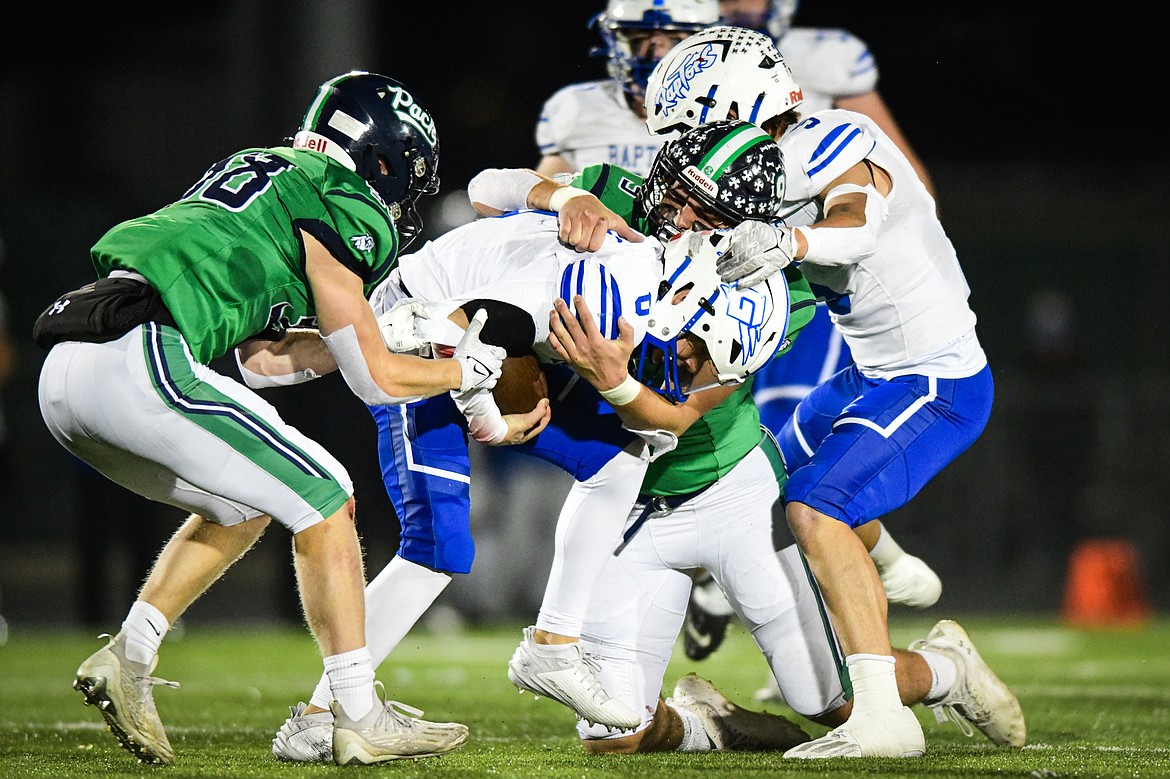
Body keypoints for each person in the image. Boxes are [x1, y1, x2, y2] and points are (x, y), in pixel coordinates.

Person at [268, 120, 814, 761]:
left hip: (474, 329)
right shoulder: (620, 289)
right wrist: (488, 416)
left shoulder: (671, 284)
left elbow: (666, 413)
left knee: (621, 459)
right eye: (693, 357)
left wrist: (593, 385)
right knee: (437, 547)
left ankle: (552, 646)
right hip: (419, 330)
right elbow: (469, 322)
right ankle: (318, 714)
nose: (689, 371)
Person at [33, 70, 507, 766]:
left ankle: (130, 655)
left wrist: (378, 332)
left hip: (71, 370)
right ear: (381, 158)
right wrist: (463, 369)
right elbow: (376, 382)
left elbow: (264, 361)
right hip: (142, 354)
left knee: (246, 502)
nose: (400, 197)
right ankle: (357, 712)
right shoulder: (345, 198)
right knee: (328, 493)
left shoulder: (262, 171)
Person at [643, 26, 998, 758]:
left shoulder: (832, 137)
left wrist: (790, 243)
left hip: (935, 375)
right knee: (764, 485)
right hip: (869, 373)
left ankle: (883, 719)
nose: (689, 151)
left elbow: (856, 222)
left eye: (697, 130)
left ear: (739, 109)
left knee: (816, 506)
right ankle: (897, 585)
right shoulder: (755, 166)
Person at [545, 256, 1023, 755]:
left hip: (736, 497)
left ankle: (947, 669)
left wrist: (611, 381)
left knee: (835, 702)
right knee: (612, 733)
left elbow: (674, 418)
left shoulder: (762, 288)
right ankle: (712, 725)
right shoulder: (601, 247)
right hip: (633, 512)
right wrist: (552, 192)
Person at [679, 2, 946, 662]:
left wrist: (806, 239)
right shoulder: (698, 61)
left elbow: (878, 193)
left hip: (811, 269)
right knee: (763, 451)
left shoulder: (825, 87)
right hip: (758, 262)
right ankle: (870, 570)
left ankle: (811, 622)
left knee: (802, 475)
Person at [535, 0, 718, 178]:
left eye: (675, 39)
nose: (656, 54)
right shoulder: (577, 106)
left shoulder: (723, 114)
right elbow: (544, 195)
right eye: (639, 39)